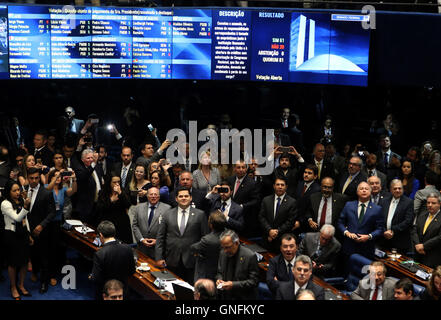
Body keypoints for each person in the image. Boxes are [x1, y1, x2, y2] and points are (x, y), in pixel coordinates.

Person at [155, 186, 209, 284]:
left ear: (190, 198)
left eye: (186, 196)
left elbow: (205, 237)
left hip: (192, 259)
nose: (183, 198)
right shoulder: (167, 214)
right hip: (171, 258)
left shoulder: (200, 215)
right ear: (176, 199)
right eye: (181, 196)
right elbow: (160, 237)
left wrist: (199, 253)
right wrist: (159, 258)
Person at [26, 167, 56, 294]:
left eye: (36, 178)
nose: (34, 181)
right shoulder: (22, 191)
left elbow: (52, 212)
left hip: (42, 230)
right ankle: (34, 272)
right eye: (31, 178)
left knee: (44, 257)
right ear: (27, 178)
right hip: (27, 230)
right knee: (32, 254)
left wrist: (41, 225)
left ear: (39, 177)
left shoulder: (46, 193)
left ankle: (44, 282)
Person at [45, 168, 77, 285]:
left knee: (54, 249)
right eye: (56, 177)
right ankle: (43, 273)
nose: (58, 179)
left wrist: (74, 178)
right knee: (46, 250)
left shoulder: (63, 190)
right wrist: (53, 178)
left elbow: (73, 190)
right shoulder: (46, 188)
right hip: (46, 222)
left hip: (57, 222)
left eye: (59, 177)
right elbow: (48, 188)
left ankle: (52, 274)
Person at [1, 180, 32, 300]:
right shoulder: (5, 203)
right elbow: (18, 218)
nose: (18, 192)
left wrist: (28, 233)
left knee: (24, 262)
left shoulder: (21, 200)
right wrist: (25, 207)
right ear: (8, 192)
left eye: (18, 190)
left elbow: (25, 219)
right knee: (13, 263)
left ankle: (21, 285)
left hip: (23, 234)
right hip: (11, 236)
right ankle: (13, 287)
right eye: (14, 191)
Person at [337, 181, 384, 260]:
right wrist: (347, 232)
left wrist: (369, 236)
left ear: (370, 192)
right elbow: (340, 222)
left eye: (366, 189)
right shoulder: (349, 205)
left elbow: (380, 229)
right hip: (349, 246)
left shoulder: (377, 209)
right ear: (357, 192)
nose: (364, 190)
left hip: (366, 248)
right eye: (361, 189)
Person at [89, 221, 136, 300]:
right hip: (122, 292)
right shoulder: (128, 248)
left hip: (107, 294)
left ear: (101, 235)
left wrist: (91, 277)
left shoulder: (100, 254)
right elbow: (132, 271)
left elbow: (96, 279)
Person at [216, 229, 259, 300]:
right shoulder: (222, 253)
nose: (225, 250)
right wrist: (219, 279)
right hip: (226, 296)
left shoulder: (250, 256)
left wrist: (233, 285)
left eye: (227, 247)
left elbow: (254, 281)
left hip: (242, 297)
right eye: (223, 247)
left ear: (236, 243)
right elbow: (219, 272)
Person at [258, 177, 297, 252]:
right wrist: (269, 230)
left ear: (286, 187)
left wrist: (276, 232)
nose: (280, 187)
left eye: (282, 185)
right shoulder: (266, 200)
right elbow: (261, 217)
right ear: (274, 186)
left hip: (282, 240)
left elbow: (290, 222)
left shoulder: (292, 202)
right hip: (267, 238)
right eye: (278, 184)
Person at [132, 187, 171, 258]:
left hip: (159, 248)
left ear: (159, 196)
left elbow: (169, 228)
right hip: (142, 247)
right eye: (151, 194)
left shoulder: (167, 208)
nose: (153, 196)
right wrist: (141, 239)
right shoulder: (138, 208)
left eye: (155, 194)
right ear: (147, 196)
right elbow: (135, 226)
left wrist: (158, 241)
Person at [226, 159, 261, 237]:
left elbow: (256, 200)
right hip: (230, 218)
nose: (241, 170)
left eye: (243, 167)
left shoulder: (252, 183)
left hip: (244, 218)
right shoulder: (230, 180)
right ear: (235, 169)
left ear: (246, 169)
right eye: (238, 167)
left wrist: (242, 206)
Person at [96, 174, 132, 244]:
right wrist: (111, 200)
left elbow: (128, 204)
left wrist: (120, 193)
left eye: (118, 182)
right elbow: (99, 208)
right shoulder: (103, 192)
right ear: (109, 183)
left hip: (121, 224)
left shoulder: (123, 191)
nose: (117, 184)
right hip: (108, 223)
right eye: (114, 182)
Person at [191, 210, 226, 282]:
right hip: (224, 271)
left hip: (208, 272)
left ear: (211, 224)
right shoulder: (230, 234)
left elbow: (193, 248)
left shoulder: (207, 240)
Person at [380, 179, 414, 254]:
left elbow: (408, 221)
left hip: (400, 240)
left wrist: (392, 230)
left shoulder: (409, 202)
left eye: (400, 188)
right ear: (391, 190)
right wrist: (384, 231)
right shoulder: (384, 201)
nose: (397, 190)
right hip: (384, 239)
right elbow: (379, 219)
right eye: (395, 188)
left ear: (403, 189)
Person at [73, 148, 103, 225]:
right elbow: (84, 176)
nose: (91, 160)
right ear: (82, 160)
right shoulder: (80, 169)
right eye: (88, 158)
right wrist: (93, 164)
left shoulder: (97, 167)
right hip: (85, 207)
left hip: (97, 205)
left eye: (92, 158)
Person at [411, 193, 441, 268]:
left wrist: (424, 246)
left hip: (432, 256)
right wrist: (418, 245)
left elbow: (439, 237)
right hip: (417, 254)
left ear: (439, 204)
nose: (430, 205)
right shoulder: (422, 214)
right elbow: (414, 230)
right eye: (428, 203)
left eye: (433, 203)